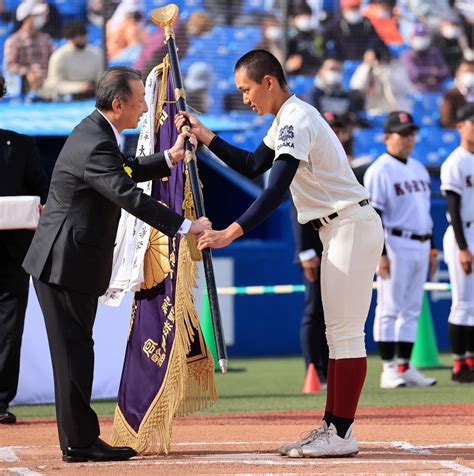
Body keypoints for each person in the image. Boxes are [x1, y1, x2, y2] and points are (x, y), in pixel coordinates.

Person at [176, 50, 384, 458]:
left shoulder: (295, 119)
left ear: (268, 81)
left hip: (349, 225)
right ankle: (334, 426)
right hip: (340, 227)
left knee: (344, 335)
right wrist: (205, 135)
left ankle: (340, 433)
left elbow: (274, 190)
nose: (245, 98)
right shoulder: (286, 118)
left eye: (247, 89)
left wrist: (230, 233)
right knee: (336, 334)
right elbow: (254, 164)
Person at [22, 66, 211, 463]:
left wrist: (168, 158)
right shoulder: (95, 143)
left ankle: (79, 440)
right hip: (64, 264)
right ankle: (79, 442)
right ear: (119, 103)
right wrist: (186, 226)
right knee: (73, 353)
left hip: (69, 261)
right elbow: (128, 195)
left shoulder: (97, 135)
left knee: (75, 351)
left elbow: (124, 169)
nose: (145, 107)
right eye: (140, 100)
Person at [364, 111, 438, 389]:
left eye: (411, 133)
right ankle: (388, 369)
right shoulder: (379, 170)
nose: (408, 139)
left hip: (420, 242)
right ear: (386, 137)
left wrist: (431, 249)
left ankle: (405, 366)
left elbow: (425, 214)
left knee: (411, 308)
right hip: (393, 242)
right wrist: (380, 253)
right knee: (389, 307)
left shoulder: (418, 168)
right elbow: (375, 215)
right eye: (402, 133)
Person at [0, 74, 49, 424]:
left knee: (8, 327)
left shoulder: (21, 146)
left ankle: (0, 401)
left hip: (11, 253)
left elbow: (44, 194)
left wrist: (40, 207)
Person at [440, 103, 474, 383]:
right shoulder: (455, 162)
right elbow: (453, 207)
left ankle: (470, 362)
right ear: (460, 127)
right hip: (463, 234)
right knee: (462, 303)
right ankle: (458, 365)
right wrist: (463, 248)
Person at [290, 203, 329, 388]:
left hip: (334, 246)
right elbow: (298, 208)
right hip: (315, 250)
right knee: (314, 311)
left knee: (332, 313)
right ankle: (315, 370)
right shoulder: (302, 172)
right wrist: (305, 252)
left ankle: (329, 371)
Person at [3, 0, 53, 98]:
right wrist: (28, 71)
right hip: (25, 82)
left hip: (47, 80)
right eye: (36, 15)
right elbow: (9, 65)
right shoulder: (14, 40)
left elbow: (54, 60)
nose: (42, 18)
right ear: (26, 18)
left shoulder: (46, 39)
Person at [44, 20, 103, 100]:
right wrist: (79, 87)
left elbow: (101, 80)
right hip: (67, 99)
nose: (84, 39)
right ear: (70, 38)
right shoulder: (58, 56)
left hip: (93, 97)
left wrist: (93, 87)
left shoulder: (97, 53)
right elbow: (53, 84)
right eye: (80, 36)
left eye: (85, 35)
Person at [350, 45, 415, 115]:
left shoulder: (398, 67)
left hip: (397, 109)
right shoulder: (367, 68)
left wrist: (386, 72)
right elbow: (356, 86)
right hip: (374, 110)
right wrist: (367, 66)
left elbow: (402, 88)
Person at [400, 22, 450, 93]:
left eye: (424, 36)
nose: (421, 39)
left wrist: (432, 76)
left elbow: (445, 71)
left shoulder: (434, 52)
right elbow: (414, 74)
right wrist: (432, 71)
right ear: (411, 38)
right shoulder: (407, 55)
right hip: (419, 92)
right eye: (418, 37)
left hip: (437, 89)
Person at [440, 60, 474, 128]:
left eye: (472, 72)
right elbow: (446, 121)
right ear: (458, 74)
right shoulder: (450, 96)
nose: (470, 75)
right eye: (467, 72)